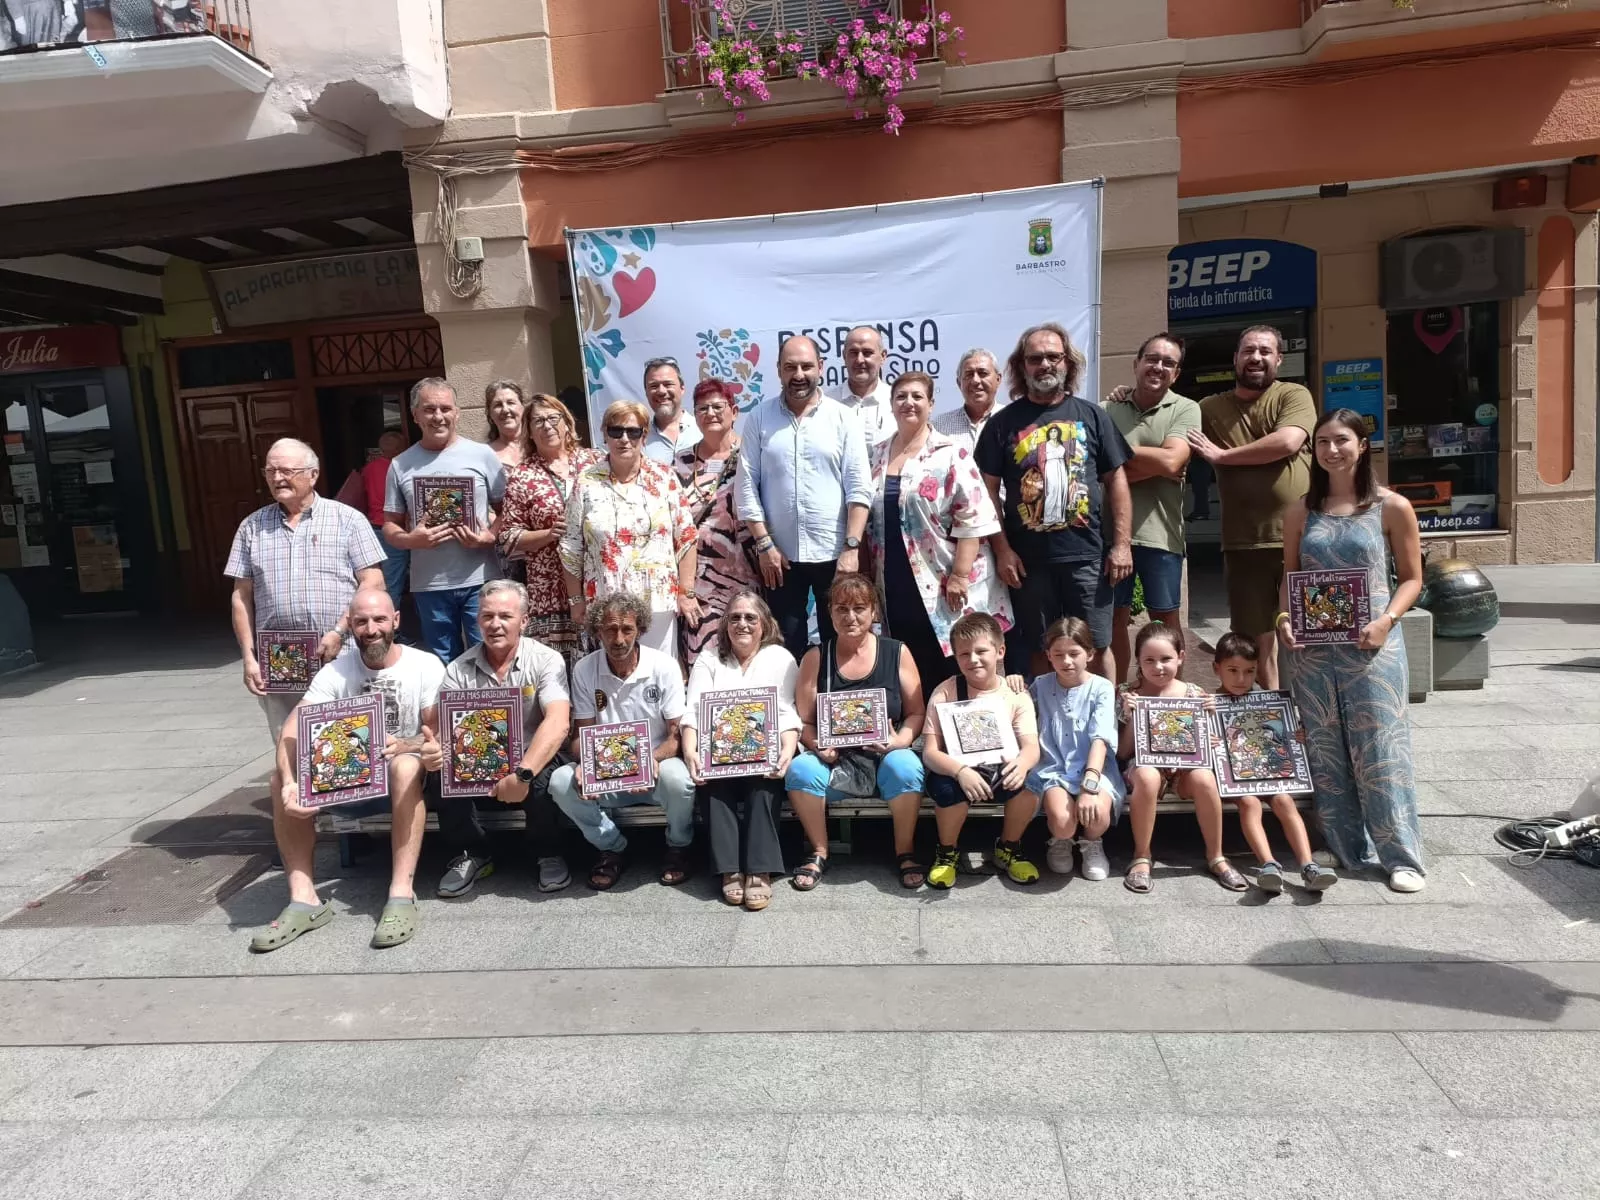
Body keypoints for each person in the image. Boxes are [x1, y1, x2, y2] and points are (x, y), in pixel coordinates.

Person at [1279, 408, 1427, 893]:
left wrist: (1387, 620)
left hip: (1373, 646)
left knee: (1381, 747)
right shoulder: (1302, 511)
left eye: (1341, 440)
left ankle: (1401, 855)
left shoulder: (1391, 507)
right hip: (1314, 653)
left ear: (1362, 445)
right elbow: (1289, 576)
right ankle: (1346, 848)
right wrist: (1284, 620)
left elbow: (1411, 578)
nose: (1331, 450)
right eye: (1322, 442)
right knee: (1325, 748)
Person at [250, 587, 445, 953]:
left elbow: (435, 734)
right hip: (343, 782)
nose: (371, 629)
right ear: (351, 626)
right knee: (279, 778)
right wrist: (291, 781)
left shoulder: (425, 665)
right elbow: (292, 728)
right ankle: (303, 900)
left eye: (379, 620)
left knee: (404, 766)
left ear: (396, 621)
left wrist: (405, 745)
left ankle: (401, 894)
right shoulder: (335, 672)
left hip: (399, 784)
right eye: (361, 622)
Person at [976, 322, 1133, 679]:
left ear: (1068, 363)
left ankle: (1104, 724)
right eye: (1035, 358)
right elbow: (986, 492)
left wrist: (1121, 545)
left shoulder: (1093, 416)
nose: (1045, 365)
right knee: (1038, 647)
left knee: (1096, 645)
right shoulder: (1002, 424)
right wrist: (1002, 550)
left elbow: (1117, 481)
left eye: (1053, 357)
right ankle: (1041, 727)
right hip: (1028, 562)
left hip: (1087, 557)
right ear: (1021, 366)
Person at [226, 437, 385, 743]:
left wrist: (340, 631)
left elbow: (373, 582)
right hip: (281, 659)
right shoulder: (252, 527)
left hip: (341, 651)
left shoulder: (347, 519)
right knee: (291, 745)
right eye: (270, 471)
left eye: (286, 470)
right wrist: (248, 657)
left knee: (347, 744)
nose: (277, 478)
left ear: (313, 474)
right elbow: (241, 596)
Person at [866, 370, 1011, 694]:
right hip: (893, 579)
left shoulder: (951, 452)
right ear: (891, 404)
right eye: (901, 396)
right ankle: (922, 733)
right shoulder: (875, 455)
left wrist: (959, 575)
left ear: (931, 404)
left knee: (955, 656)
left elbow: (974, 517)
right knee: (908, 658)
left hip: (945, 579)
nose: (909, 403)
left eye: (917, 396)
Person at [1188, 326, 1317, 690]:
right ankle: (1273, 716)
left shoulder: (1293, 394)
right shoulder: (1209, 409)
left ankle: (1315, 714)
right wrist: (1123, 395)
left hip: (1301, 538)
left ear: (1278, 359)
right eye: (1248, 351)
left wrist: (1223, 456)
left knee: (1309, 631)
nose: (1256, 357)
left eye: (1265, 351)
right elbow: (1167, 417)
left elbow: (1288, 441)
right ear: (1235, 359)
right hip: (1244, 543)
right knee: (1255, 643)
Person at [434, 580, 575, 899]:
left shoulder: (546, 660)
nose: (495, 624)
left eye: (505, 616)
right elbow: (446, 730)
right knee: (439, 770)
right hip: (478, 760)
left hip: (528, 759)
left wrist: (522, 773)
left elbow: (557, 722)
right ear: (478, 620)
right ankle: (471, 855)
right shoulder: (458, 669)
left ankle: (548, 853)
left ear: (524, 621)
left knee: (544, 775)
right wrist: (434, 749)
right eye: (487, 616)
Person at [785, 573, 926, 891]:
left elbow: (917, 712)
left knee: (906, 766)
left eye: (859, 608)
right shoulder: (816, 656)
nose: (850, 616)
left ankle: (904, 851)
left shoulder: (896, 652)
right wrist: (817, 746)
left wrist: (900, 740)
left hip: (886, 756)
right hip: (835, 761)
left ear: (874, 611)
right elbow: (804, 721)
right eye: (841, 608)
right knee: (802, 768)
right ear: (830, 613)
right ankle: (819, 850)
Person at [735, 334, 872, 662]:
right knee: (786, 646)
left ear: (821, 368)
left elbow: (859, 488)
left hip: (834, 554)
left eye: (807, 366)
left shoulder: (843, 418)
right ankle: (794, 711)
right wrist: (764, 544)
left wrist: (851, 550)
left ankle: (837, 710)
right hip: (779, 558)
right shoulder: (759, 418)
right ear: (779, 371)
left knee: (842, 643)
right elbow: (746, 486)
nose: (799, 374)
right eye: (790, 367)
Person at [549, 593, 698, 889]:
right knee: (560, 782)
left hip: (655, 770)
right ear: (597, 631)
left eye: (627, 629)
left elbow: (675, 736)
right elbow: (580, 736)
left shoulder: (663, 666)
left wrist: (648, 762)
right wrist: (585, 764)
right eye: (610, 629)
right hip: (606, 775)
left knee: (679, 780)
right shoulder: (585, 669)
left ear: (640, 629)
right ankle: (612, 846)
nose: (618, 638)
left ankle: (679, 846)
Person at [682, 590, 800, 911]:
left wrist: (787, 751)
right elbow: (693, 711)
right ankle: (729, 869)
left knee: (765, 780)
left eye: (750, 617)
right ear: (725, 625)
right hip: (719, 753)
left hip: (765, 750)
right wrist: (692, 752)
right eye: (734, 617)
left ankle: (760, 869)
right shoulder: (709, 659)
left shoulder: (781, 658)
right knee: (711, 781)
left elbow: (788, 712)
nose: (742, 624)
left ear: (764, 624)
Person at [560, 399, 700, 661]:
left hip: (657, 602)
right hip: (606, 605)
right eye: (616, 431)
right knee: (612, 681)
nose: (624, 439)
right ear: (604, 434)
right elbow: (570, 547)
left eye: (633, 432)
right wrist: (575, 600)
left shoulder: (664, 477)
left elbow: (687, 537)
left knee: (657, 678)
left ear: (644, 435)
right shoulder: (585, 483)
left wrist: (686, 592)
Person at [382, 378, 506, 664]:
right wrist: (412, 540)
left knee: (490, 657)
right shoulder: (400, 464)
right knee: (441, 665)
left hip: (481, 578)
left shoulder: (482, 454)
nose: (438, 416)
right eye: (429, 409)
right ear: (415, 416)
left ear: (457, 413)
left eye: (445, 408)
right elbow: (389, 526)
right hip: (430, 584)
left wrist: (491, 535)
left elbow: (507, 510)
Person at [1118, 621, 1244, 895]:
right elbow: (1124, 752)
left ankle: (1217, 856)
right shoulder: (1129, 692)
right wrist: (1131, 717)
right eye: (1149, 660)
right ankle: (1142, 856)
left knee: (1204, 777)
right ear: (1138, 660)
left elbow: (1211, 745)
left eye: (1166, 659)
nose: (1158, 667)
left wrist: (1211, 727)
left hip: (1183, 769)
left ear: (1181, 657)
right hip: (1145, 765)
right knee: (1148, 776)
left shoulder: (1194, 693)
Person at [1103, 333, 1202, 684]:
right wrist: (1157, 462)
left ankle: (1175, 697)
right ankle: (1118, 696)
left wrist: (1115, 454)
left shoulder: (1187, 409)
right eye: (1152, 358)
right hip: (1112, 535)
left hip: (1162, 534)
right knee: (1114, 618)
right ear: (1137, 363)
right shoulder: (1107, 409)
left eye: (1168, 362)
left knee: (1165, 619)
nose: (1158, 366)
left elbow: (1174, 459)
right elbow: (1099, 471)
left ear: (1176, 373)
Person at [1210, 632, 1338, 893]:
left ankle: (1307, 865)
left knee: (1284, 800)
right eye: (1232, 670)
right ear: (1217, 669)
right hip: (1235, 778)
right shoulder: (1210, 703)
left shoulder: (1268, 702)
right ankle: (1268, 864)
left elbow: (1280, 735)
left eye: (1249, 671)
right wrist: (1210, 741)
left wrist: (1295, 736)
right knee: (1250, 804)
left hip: (1269, 770)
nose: (1241, 679)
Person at [920, 612, 1041, 888]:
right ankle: (947, 852)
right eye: (964, 654)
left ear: (1000, 651)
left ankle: (1009, 847)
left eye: (981, 651)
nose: (973, 659)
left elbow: (1031, 747)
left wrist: (1022, 765)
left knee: (1032, 783)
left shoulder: (1016, 694)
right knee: (948, 790)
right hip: (957, 769)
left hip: (1002, 767)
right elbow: (930, 752)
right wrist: (961, 771)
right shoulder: (946, 691)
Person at [496, 393, 600, 670]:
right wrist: (549, 534)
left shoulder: (596, 462)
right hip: (549, 594)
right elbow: (507, 540)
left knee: (604, 667)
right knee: (557, 673)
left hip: (598, 584)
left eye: (553, 418)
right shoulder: (522, 475)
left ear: (567, 423)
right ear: (529, 430)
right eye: (538, 421)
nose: (547, 426)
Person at [1024, 616, 1124, 881]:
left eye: (1074, 653)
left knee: (1097, 813)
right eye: (1058, 654)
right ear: (1048, 655)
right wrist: (1013, 684)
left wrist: (1090, 787)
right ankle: (1061, 839)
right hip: (1055, 768)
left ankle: (1092, 841)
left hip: (1095, 768)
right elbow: (1017, 708)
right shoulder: (1041, 685)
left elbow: (1100, 738)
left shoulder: (1101, 687)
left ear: (1090, 654)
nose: (1066, 661)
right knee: (1062, 821)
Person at [675, 379, 760, 667]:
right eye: (702, 408)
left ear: (734, 411)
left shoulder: (754, 454)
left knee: (749, 654)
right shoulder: (680, 463)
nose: (710, 413)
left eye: (717, 406)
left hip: (752, 574)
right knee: (705, 658)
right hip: (700, 579)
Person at [361, 430, 411, 620]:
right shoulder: (401, 468)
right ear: (400, 448)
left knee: (376, 578)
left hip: (372, 526)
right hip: (394, 529)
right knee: (393, 580)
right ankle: (390, 627)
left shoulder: (369, 468)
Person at [932, 347, 1008, 455]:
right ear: (959, 383)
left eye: (983, 373)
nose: (975, 380)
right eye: (969, 374)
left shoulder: (1012, 421)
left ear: (998, 379)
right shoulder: (940, 425)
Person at [834, 325, 896, 446]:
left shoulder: (898, 402)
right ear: (844, 356)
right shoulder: (827, 404)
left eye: (867, 353)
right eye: (853, 352)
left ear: (883, 356)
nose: (860, 360)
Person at [642, 356, 701, 464]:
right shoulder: (638, 439)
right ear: (646, 392)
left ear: (682, 388)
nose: (661, 391)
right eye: (654, 386)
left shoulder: (703, 430)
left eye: (668, 384)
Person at [484, 379, 526, 469]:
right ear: (490, 413)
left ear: (522, 407)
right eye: (498, 405)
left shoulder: (540, 447)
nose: (505, 410)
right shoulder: (484, 455)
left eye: (510, 403)